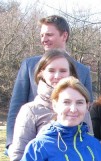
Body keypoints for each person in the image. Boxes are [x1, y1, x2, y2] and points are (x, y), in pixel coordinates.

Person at [6, 15, 93, 151]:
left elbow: (87, 109)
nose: (44, 40)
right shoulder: (29, 65)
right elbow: (16, 106)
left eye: (49, 35)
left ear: (64, 36)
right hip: (33, 145)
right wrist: (11, 143)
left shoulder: (82, 71)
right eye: (41, 35)